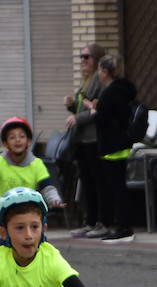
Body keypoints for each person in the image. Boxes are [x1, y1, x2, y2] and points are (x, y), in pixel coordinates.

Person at [86, 54, 138, 243]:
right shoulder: (125, 89)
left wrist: (93, 111)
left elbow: (103, 118)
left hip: (111, 145)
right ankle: (123, 225)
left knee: (116, 187)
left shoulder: (110, 92)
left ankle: (123, 227)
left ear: (105, 72)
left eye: (100, 70)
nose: (98, 73)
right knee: (119, 185)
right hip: (122, 143)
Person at [0, 117, 63, 223]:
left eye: (22, 136)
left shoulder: (37, 164)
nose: (17, 140)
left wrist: (55, 200)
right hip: (5, 212)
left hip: (30, 212)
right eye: (12, 137)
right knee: (7, 238)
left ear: (29, 141)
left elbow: (47, 187)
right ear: (5, 143)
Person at [66, 43, 106, 238]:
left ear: (96, 59)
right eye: (81, 57)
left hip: (93, 137)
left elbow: (96, 111)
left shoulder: (98, 79)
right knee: (87, 181)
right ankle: (89, 221)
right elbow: (83, 108)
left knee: (97, 181)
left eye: (86, 57)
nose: (83, 61)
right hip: (82, 138)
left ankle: (100, 220)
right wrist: (72, 106)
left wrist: (78, 118)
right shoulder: (86, 80)